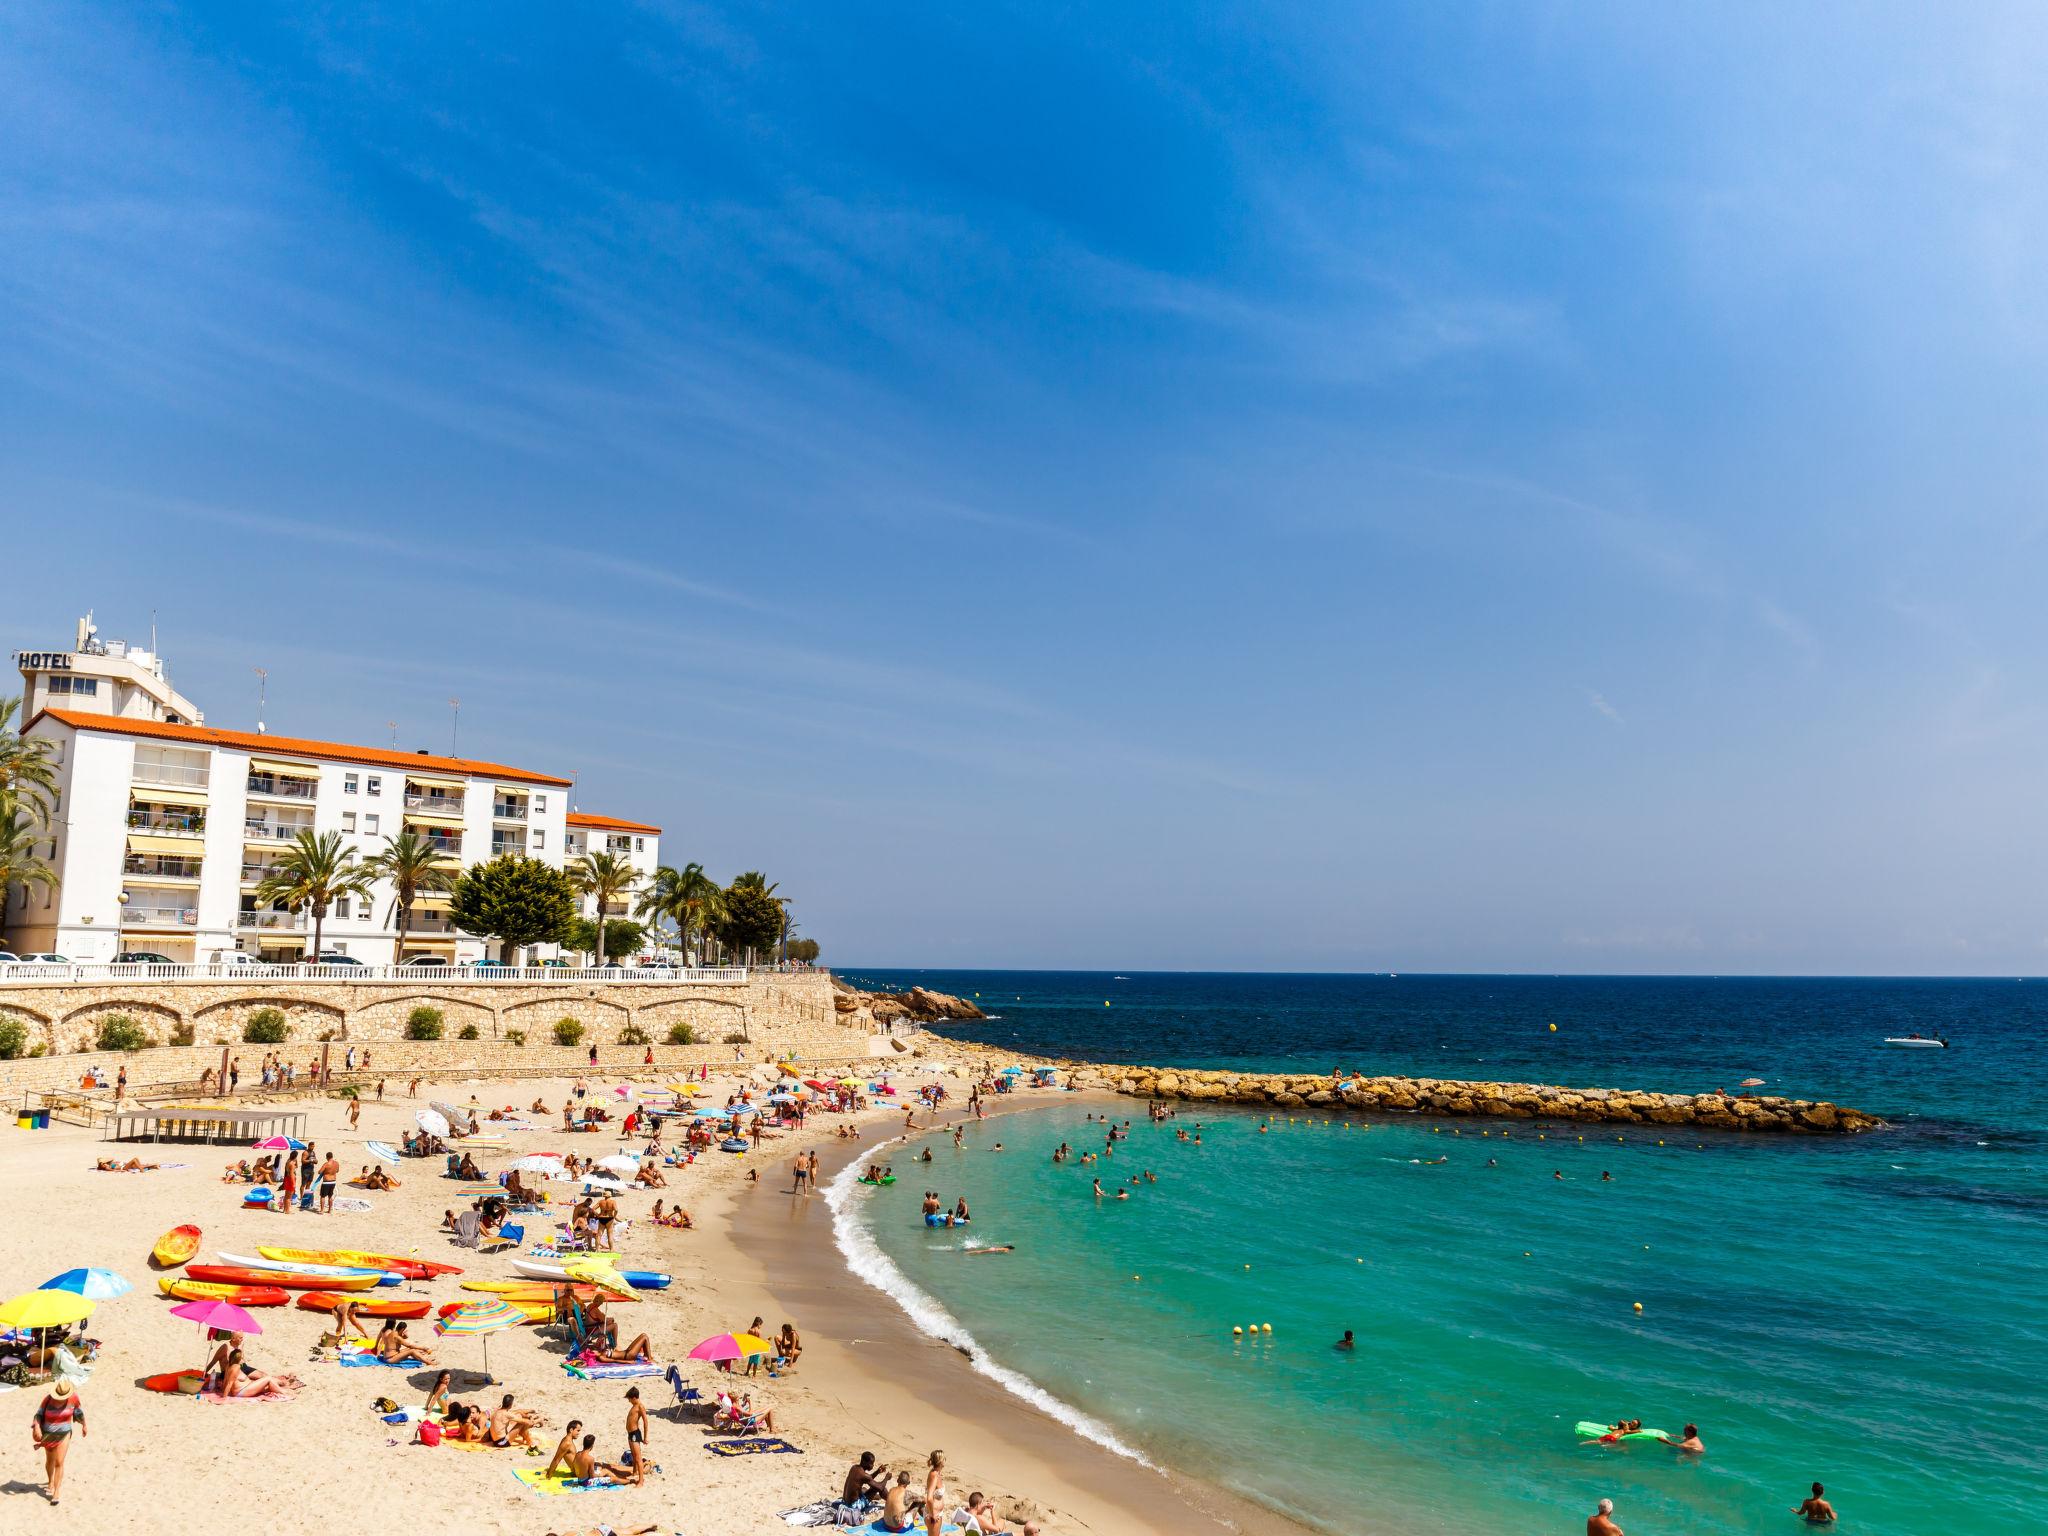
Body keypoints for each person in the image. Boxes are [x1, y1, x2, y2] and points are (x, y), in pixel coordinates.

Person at [31, 1375, 84, 1505]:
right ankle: (50, 1482)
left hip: (64, 1433)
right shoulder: (48, 1399)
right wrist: (37, 1427)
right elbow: (38, 1414)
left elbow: (78, 1412)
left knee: (59, 1462)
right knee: (50, 1460)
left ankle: (57, 1492)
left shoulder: (73, 1398)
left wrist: (84, 1425)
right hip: (48, 1434)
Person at [619, 1386, 649, 1483]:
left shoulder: (640, 1406)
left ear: (634, 1398)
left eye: (629, 1399)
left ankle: (641, 1481)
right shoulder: (634, 1406)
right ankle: (635, 1472)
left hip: (635, 1434)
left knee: (638, 1457)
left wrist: (645, 1438)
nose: (629, 1401)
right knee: (633, 1454)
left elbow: (645, 1422)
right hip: (630, 1433)